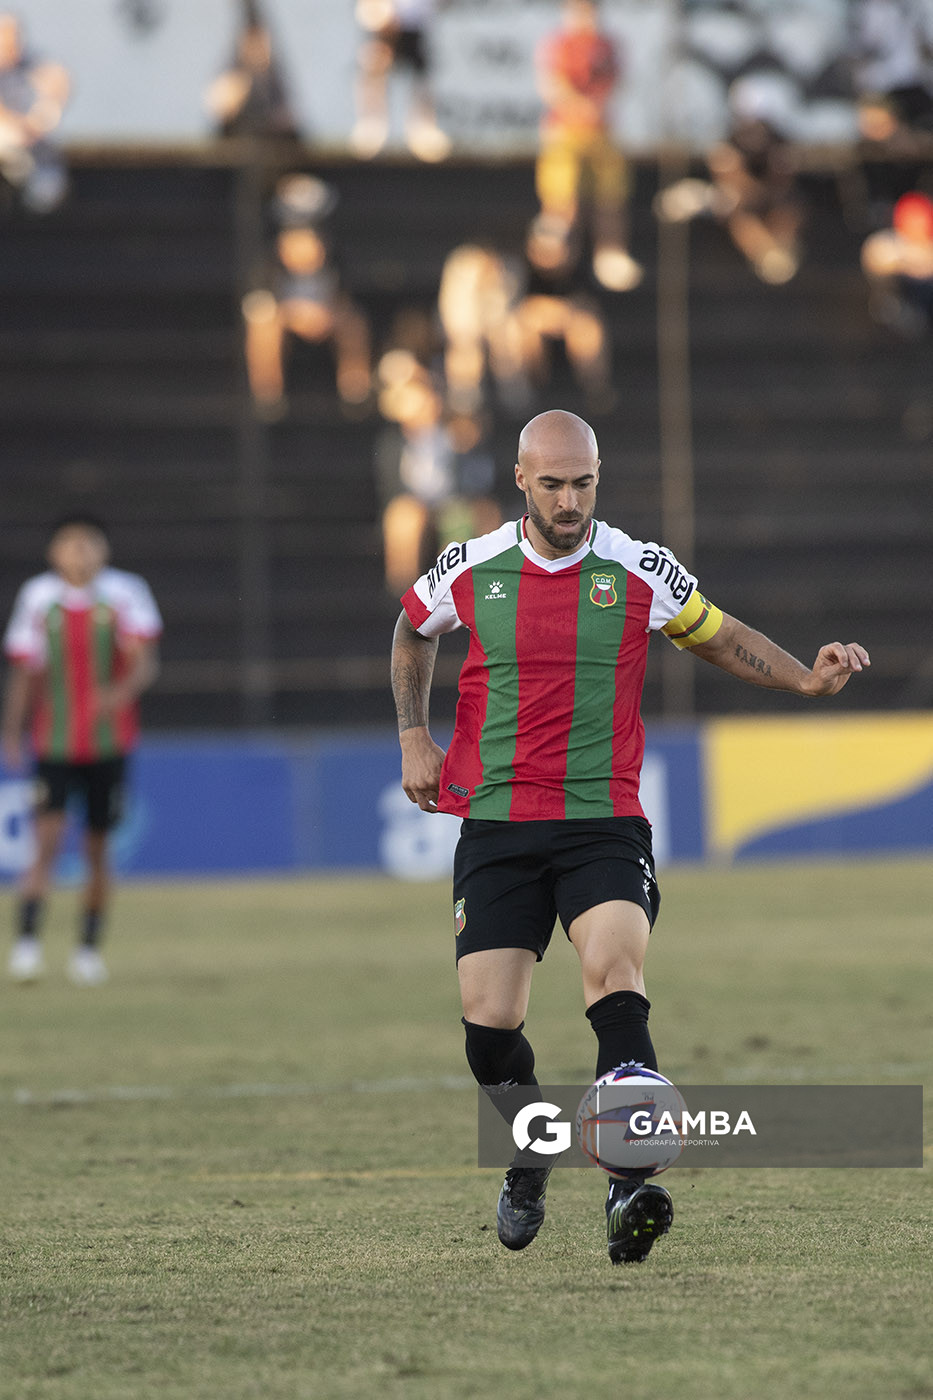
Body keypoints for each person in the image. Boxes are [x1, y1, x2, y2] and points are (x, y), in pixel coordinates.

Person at [390, 409, 869, 1265]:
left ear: (597, 478)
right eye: (552, 484)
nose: (569, 501)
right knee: (488, 1021)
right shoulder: (469, 565)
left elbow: (719, 636)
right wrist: (412, 735)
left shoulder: (637, 567)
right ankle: (530, 1150)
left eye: (582, 483)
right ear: (520, 480)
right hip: (496, 823)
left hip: (602, 821)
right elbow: (410, 630)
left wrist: (803, 678)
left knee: (615, 978)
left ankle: (629, 1187)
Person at [1, 516, 162, 985]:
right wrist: (12, 732)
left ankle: (88, 951)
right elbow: (24, 672)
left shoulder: (125, 593)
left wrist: (119, 692)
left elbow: (145, 662)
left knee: (97, 849)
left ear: (104, 549)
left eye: (89, 543)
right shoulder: (37, 598)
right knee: (45, 843)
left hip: (109, 744)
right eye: (70, 544)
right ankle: (27, 945)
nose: (80, 553)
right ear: (55, 552)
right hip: (53, 743)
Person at [534, 0, 641, 292]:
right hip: (564, 129)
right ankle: (553, 254)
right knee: (561, 197)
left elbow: (617, 80)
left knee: (610, 195)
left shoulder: (607, 44)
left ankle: (610, 253)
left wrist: (597, 104)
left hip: (601, 130)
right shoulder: (559, 43)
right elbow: (552, 85)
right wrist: (579, 105)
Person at [351, 0, 450, 162]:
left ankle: (423, 129)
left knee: (420, 75)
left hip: (416, 22)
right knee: (375, 66)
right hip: (381, 19)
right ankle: (371, 125)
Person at [0, 11, 70, 215]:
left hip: (34, 153)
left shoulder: (31, 65)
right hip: (10, 141)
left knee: (46, 192)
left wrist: (36, 120)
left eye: (12, 36)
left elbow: (58, 79)